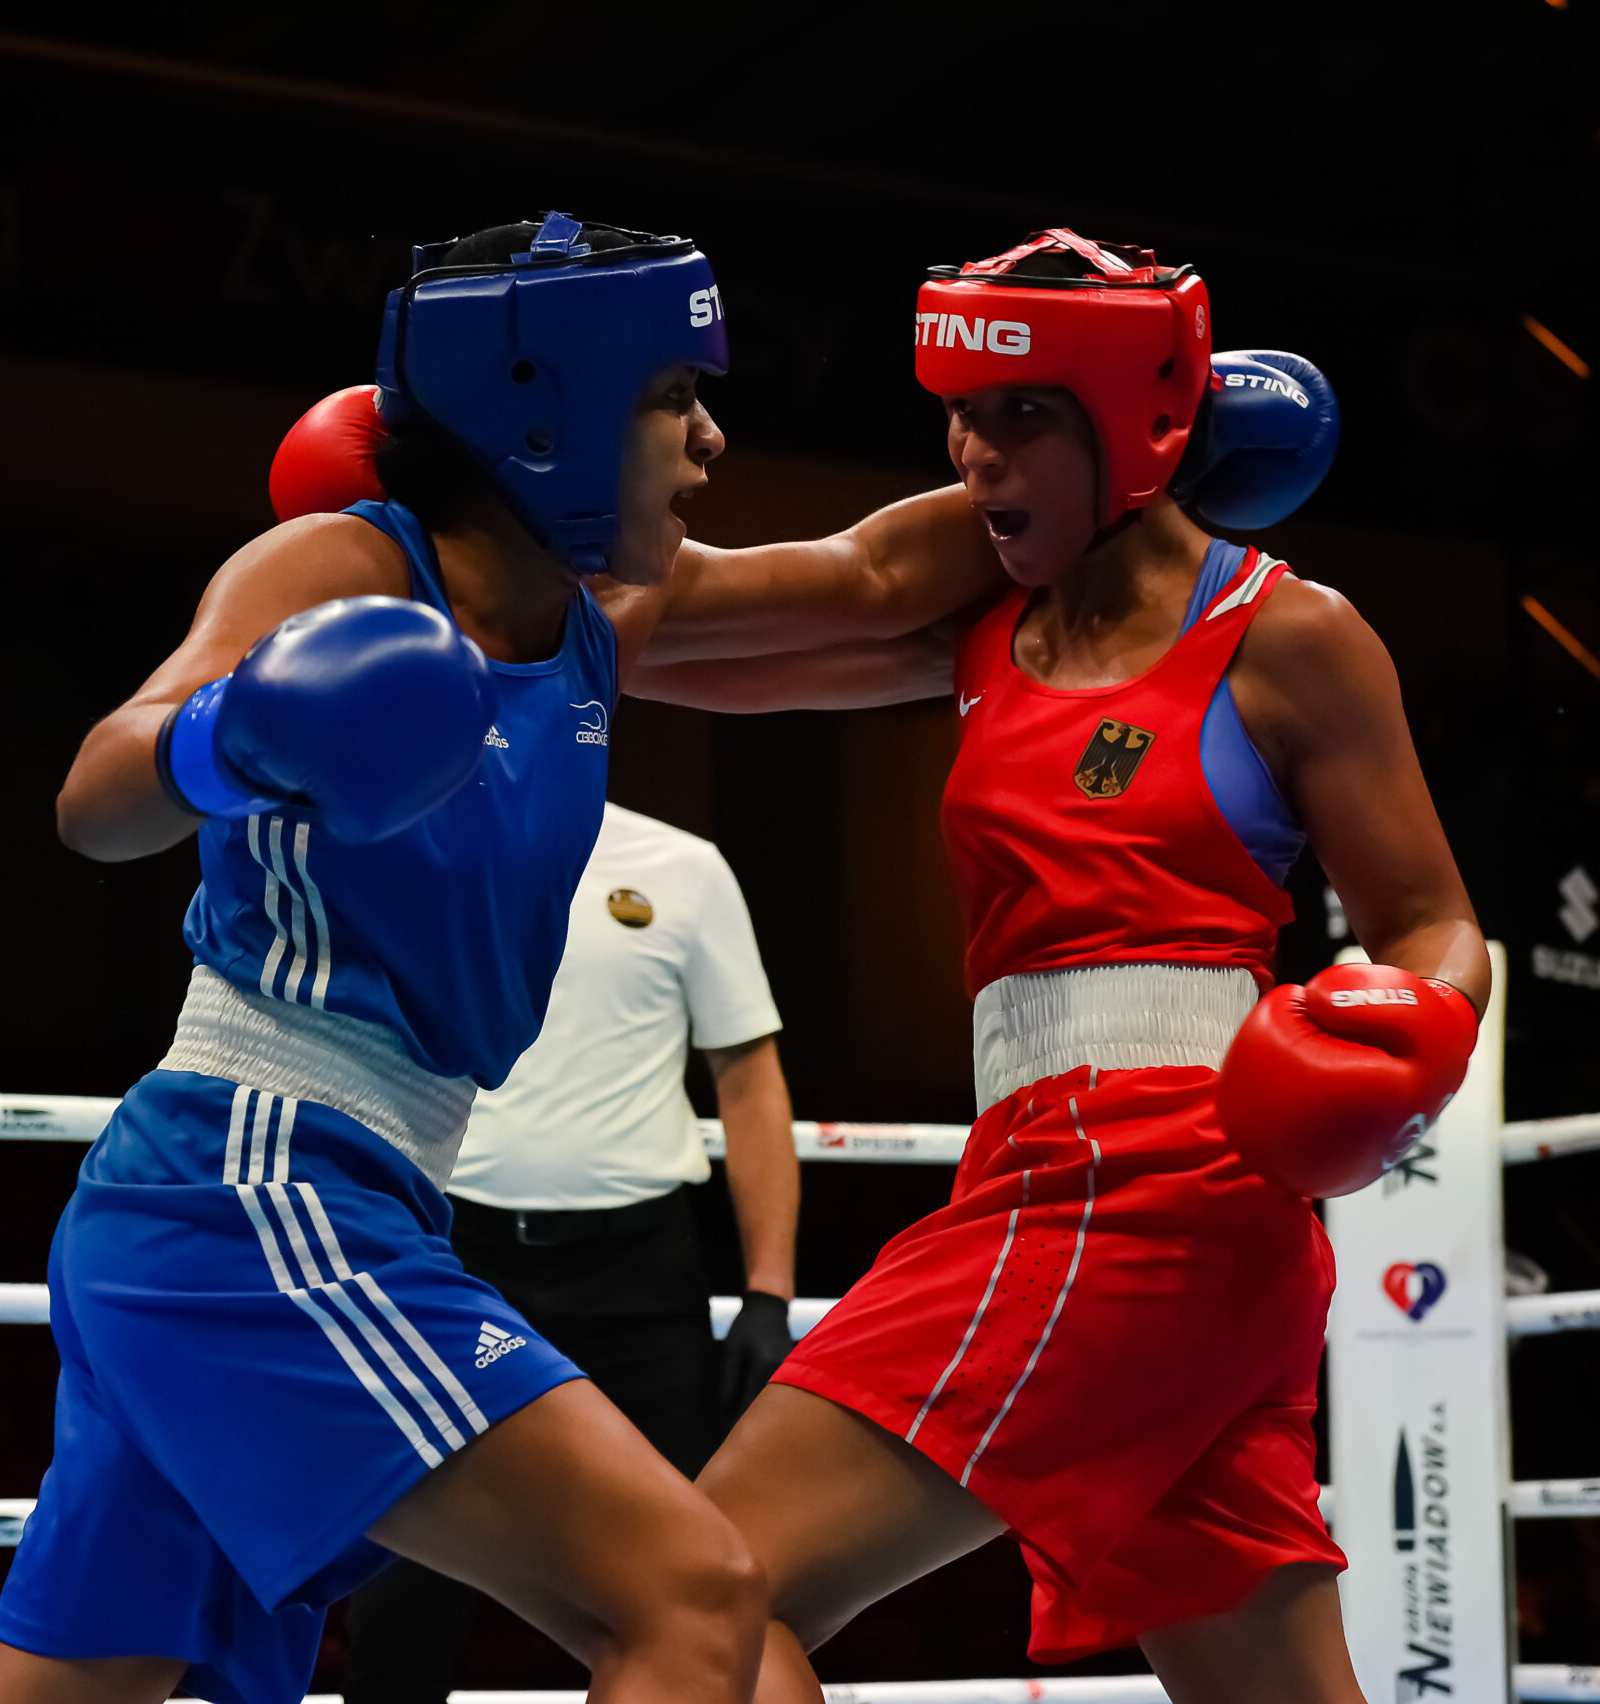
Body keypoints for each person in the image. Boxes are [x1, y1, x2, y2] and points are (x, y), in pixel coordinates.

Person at [623, 229, 1490, 1704]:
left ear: (1137, 426)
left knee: (696, 1596)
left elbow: (1430, 921)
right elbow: (683, 628)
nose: (977, 452)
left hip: (1154, 1184)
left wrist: (1406, 1033)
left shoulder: (1286, 635)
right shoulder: (983, 611)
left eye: (1021, 415)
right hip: (1053, 1169)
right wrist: (463, 538)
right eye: (961, 415)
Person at [0, 214, 769, 1704]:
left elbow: (878, 586)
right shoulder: (344, 568)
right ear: (547, 409)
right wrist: (242, 732)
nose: (710, 438)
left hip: (314, 1197)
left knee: (77, 1684)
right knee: (691, 1596)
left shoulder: (594, 626)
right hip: (255, 1190)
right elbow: (96, 797)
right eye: (672, 397)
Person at [342, 802, 800, 1704]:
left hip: (642, 1277)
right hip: (455, 1261)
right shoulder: (417, 842)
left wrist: (770, 1292)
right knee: (402, 1598)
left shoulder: (684, 867)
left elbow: (749, 1081)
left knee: (694, 1574)